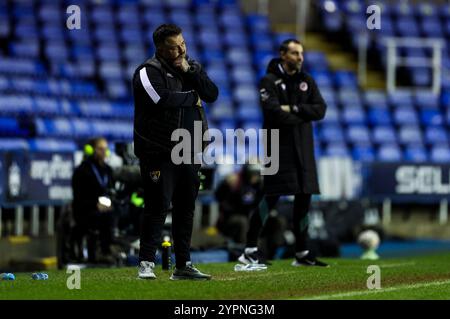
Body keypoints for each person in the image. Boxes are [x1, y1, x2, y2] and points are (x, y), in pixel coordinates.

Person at [132, 24, 218, 280]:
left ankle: (183, 264)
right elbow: (160, 99)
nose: (180, 49)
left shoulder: (191, 67)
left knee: (185, 208)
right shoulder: (148, 71)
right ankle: (146, 263)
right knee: (157, 206)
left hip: (189, 150)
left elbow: (212, 94)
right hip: (158, 151)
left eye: (182, 44)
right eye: (174, 47)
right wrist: (192, 97)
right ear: (160, 48)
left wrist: (190, 72)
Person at [238, 39, 329, 267]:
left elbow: (321, 109)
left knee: (304, 198)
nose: (300, 57)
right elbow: (273, 113)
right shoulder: (268, 81)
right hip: (275, 146)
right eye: (295, 53)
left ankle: (302, 253)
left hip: (304, 149)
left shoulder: (307, 80)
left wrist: (294, 109)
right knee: (270, 197)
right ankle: (249, 248)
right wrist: (302, 116)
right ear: (282, 54)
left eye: (301, 54)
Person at [72, 137, 115, 263]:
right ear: (91, 150)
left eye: (105, 149)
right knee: (104, 217)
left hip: (106, 208)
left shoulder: (108, 170)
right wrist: (95, 205)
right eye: (100, 149)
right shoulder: (82, 171)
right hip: (86, 209)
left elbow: (112, 191)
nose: (103, 152)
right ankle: (103, 251)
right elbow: (79, 198)